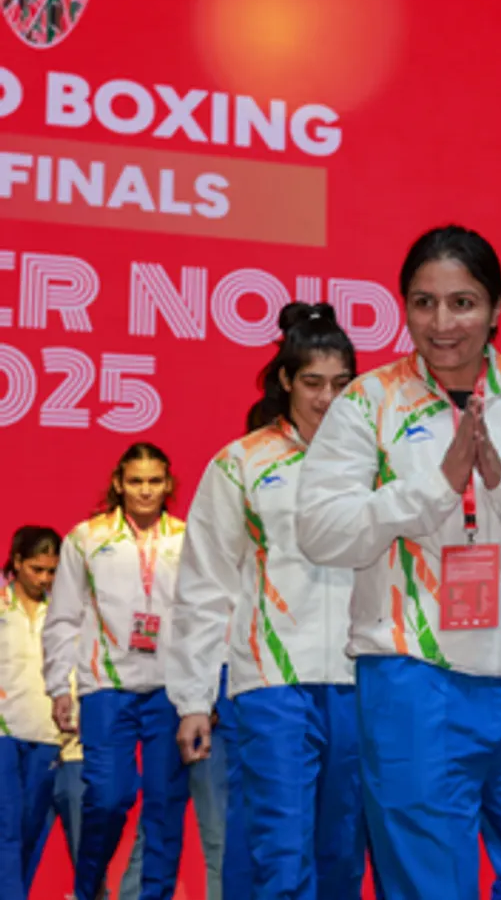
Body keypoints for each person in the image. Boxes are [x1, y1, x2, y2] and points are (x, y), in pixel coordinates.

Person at [295, 225, 501, 900]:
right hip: (414, 678)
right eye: (424, 302)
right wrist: (433, 487)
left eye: (463, 303)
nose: (443, 323)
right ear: (405, 307)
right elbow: (323, 531)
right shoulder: (367, 403)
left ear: (497, 308)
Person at [165, 301, 370, 899]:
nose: (327, 399)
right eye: (312, 383)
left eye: (340, 384)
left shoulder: (376, 462)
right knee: (279, 852)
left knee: (342, 852)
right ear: (285, 380)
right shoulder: (242, 463)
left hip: (361, 680)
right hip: (272, 681)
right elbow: (205, 584)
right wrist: (194, 699)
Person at [43, 444, 190, 900]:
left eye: (154, 481)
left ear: (168, 484)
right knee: (109, 798)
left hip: (171, 691)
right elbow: (63, 617)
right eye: (136, 481)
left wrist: (204, 692)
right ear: (119, 484)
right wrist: (58, 686)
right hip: (106, 688)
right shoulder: (86, 538)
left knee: (165, 807)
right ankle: (88, 888)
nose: (145, 491)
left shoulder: (188, 538)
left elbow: (206, 614)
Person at [0, 526, 62, 898]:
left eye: (51, 571)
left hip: (48, 732)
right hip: (3, 732)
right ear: (17, 562)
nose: (44, 579)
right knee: (5, 827)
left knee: (31, 828)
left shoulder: (64, 613)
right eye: (36, 569)